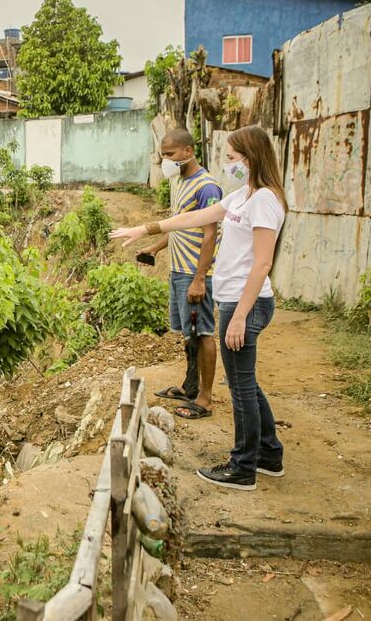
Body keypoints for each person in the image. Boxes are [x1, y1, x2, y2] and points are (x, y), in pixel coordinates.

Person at [110, 126, 287, 491]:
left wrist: (239, 316)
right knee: (246, 382)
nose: (227, 164)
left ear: (251, 159)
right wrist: (145, 229)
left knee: (240, 386)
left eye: (232, 158)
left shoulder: (265, 200)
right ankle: (269, 454)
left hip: (246, 303)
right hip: (234, 300)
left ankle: (243, 467)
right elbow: (195, 218)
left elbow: (263, 263)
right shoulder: (241, 197)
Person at [140, 129, 221, 421]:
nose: (166, 160)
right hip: (178, 271)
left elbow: (210, 235)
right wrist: (156, 247)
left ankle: (206, 398)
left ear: (188, 151)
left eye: (170, 154)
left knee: (203, 333)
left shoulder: (207, 187)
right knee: (188, 333)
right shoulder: (180, 183)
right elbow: (178, 226)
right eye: (163, 155)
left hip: (193, 273)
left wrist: (200, 278)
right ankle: (190, 386)